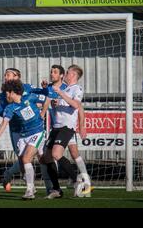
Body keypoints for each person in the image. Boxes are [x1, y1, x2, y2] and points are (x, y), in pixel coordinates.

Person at [0, 68, 52, 194]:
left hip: (35, 128)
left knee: (41, 156)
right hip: (17, 130)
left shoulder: (28, 88)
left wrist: (41, 110)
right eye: (5, 75)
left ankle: (49, 187)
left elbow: (44, 97)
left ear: (17, 76)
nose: (5, 77)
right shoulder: (5, 94)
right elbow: (3, 113)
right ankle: (27, 183)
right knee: (23, 159)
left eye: (8, 75)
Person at [0, 80, 47, 200]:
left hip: (37, 132)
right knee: (22, 162)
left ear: (12, 92)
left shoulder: (30, 97)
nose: (6, 96)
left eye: (7, 93)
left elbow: (46, 96)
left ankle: (31, 190)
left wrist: (43, 112)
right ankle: (32, 186)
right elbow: (4, 123)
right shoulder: (10, 108)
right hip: (23, 136)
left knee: (28, 158)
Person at [40, 65, 92, 197]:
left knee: (58, 154)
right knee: (47, 158)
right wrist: (55, 101)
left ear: (73, 75)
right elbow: (57, 101)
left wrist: (82, 126)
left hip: (66, 127)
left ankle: (77, 180)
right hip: (55, 127)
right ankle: (57, 190)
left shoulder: (77, 89)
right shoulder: (65, 89)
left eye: (67, 73)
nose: (66, 75)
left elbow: (76, 105)